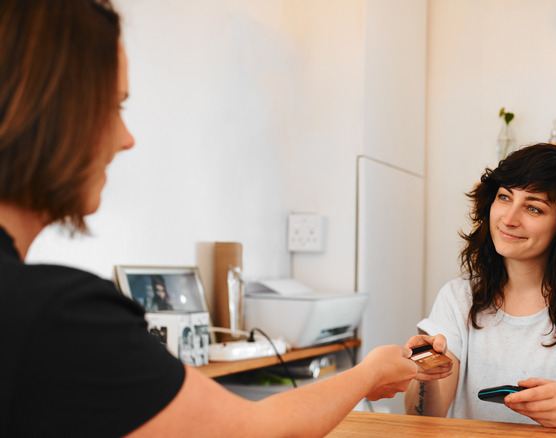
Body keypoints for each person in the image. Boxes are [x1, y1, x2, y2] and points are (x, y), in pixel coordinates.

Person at [0, 1, 417, 436]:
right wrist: (368, 373)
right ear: (49, 108)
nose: (127, 139)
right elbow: (255, 430)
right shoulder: (56, 316)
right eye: (115, 106)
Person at [404, 143, 556, 430]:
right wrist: (424, 370)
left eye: (533, 207)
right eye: (504, 197)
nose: (509, 219)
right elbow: (422, 421)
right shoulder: (458, 296)